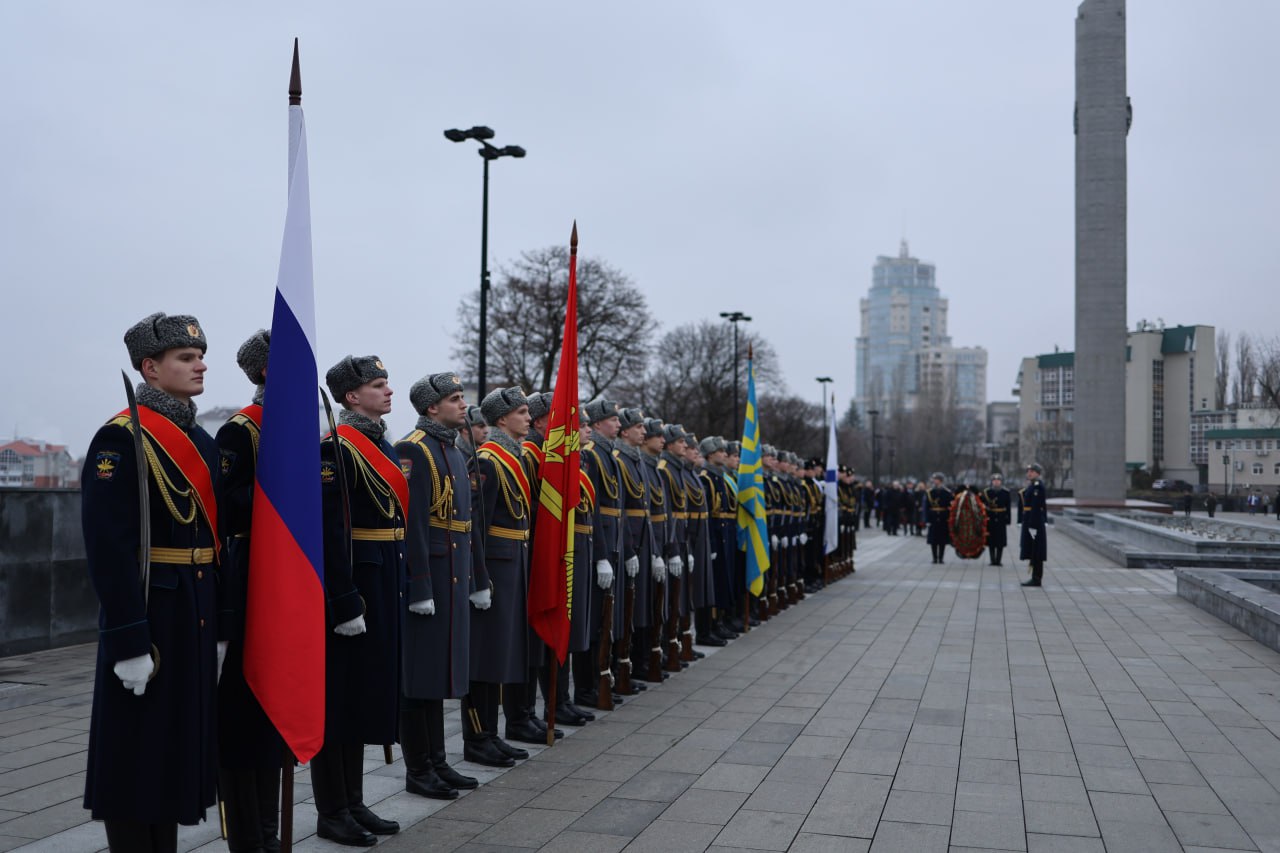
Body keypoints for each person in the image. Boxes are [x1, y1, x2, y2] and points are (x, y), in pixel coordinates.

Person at [82, 313, 220, 852]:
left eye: (200, 355)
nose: (200, 364)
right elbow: (109, 549)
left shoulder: (201, 441)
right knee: (136, 754)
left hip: (196, 609)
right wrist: (128, 639)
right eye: (186, 358)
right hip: (152, 612)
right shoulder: (119, 439)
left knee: (173, 752)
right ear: (150, 368)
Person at [314, 355, 405, 846]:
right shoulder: (337, 448)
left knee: (364, 696)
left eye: (387, 382)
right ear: (351, 397)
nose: (388, 391)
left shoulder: (379, 444)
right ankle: (332, 809)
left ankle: (353, 800)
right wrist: (343, 598)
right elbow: (329, 531)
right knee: (340, 702)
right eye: (377, 385)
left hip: (384, 577)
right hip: (356, 586)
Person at [396, 373, 484, 801]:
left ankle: (438, 760)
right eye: (454, 399)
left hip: (454, 570)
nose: (463, 405)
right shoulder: (414, 448)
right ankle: (419, 768)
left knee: (442, 673)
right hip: (431, 574)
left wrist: (475, 578)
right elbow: (413, 523)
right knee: (420, 677)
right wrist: (419, 585)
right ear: (432, 408)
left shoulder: (450, 447)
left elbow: (468, 522)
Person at [215, 330, 284, 853]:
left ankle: (270, 824)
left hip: (294, 576)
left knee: (281, 703)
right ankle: (247, 829)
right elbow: (227, 503)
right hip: (253, 573)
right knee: (246, 707)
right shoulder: (243, 430)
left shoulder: (307, 427)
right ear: (266, 371)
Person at [470, 388, 537, 759]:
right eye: (522, 412)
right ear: (501, 419)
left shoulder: (516, 456)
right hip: (495, 566)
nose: (528, 418)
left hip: (515, 558)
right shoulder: (488, 461)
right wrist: (479, 578)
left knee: (504, 650)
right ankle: (478, 736)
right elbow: (476, 526)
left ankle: (493, 733)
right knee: (487, 652)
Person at [1019, 462, 1048, 587]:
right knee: (1033, 549)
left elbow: (1036, 508)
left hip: (1034, 523)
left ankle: (1036, 578)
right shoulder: (1032, 485)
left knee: (1036, 550)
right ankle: (1035, 577)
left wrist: (1032, 525)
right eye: (1028, 471)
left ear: (1038, 473)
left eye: (1032, 471)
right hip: (1031, 521)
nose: (1029, 473)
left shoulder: (1037, 486)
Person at [982, 473, 1012, 566]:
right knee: (991, 540)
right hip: (990, 517)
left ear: (1001, 482)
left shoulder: (1005, 492)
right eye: (994, 480)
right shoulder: (987, 492)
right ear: (992, 482)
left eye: (998, 480)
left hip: (1001, 518)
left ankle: (998, 560)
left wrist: (1008, 519)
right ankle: (992, 560)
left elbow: (1008, 507)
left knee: (1000, 540)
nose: (996, 482)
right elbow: (983, 506)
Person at [925, 473, 953, 564]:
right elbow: (926, 507)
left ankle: (940, 558)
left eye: (936, 479)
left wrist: (949, 518)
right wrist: (927, 519)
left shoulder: (947, 492)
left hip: (943, 517)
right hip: (933, 517)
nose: (935, 481)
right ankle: (934, 558)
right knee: (933, 539)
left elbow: (950, 506)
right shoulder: (930, 492)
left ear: (940, 481)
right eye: (934, 479)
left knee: (942, 539)